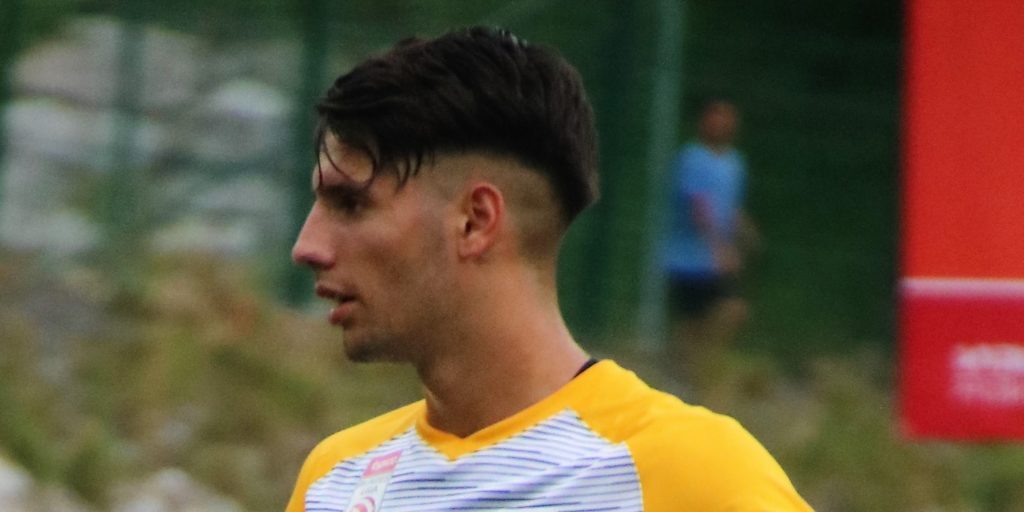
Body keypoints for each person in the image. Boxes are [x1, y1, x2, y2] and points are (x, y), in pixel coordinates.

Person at [286, 28, 809, 512]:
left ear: (475, 221)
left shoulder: (694, 478)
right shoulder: (334, 481)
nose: (306, 247)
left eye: (351, 204)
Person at [662, 100, 759, 396]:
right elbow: (699, 206)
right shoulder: (692, 159)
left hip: (716, 260)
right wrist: (721, 248)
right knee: (694, 319)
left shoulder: (734, 164)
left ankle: (696, 367)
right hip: (689, 257)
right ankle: (686, 373)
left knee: (729, 311)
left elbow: (730, 205)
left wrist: (746, 231)